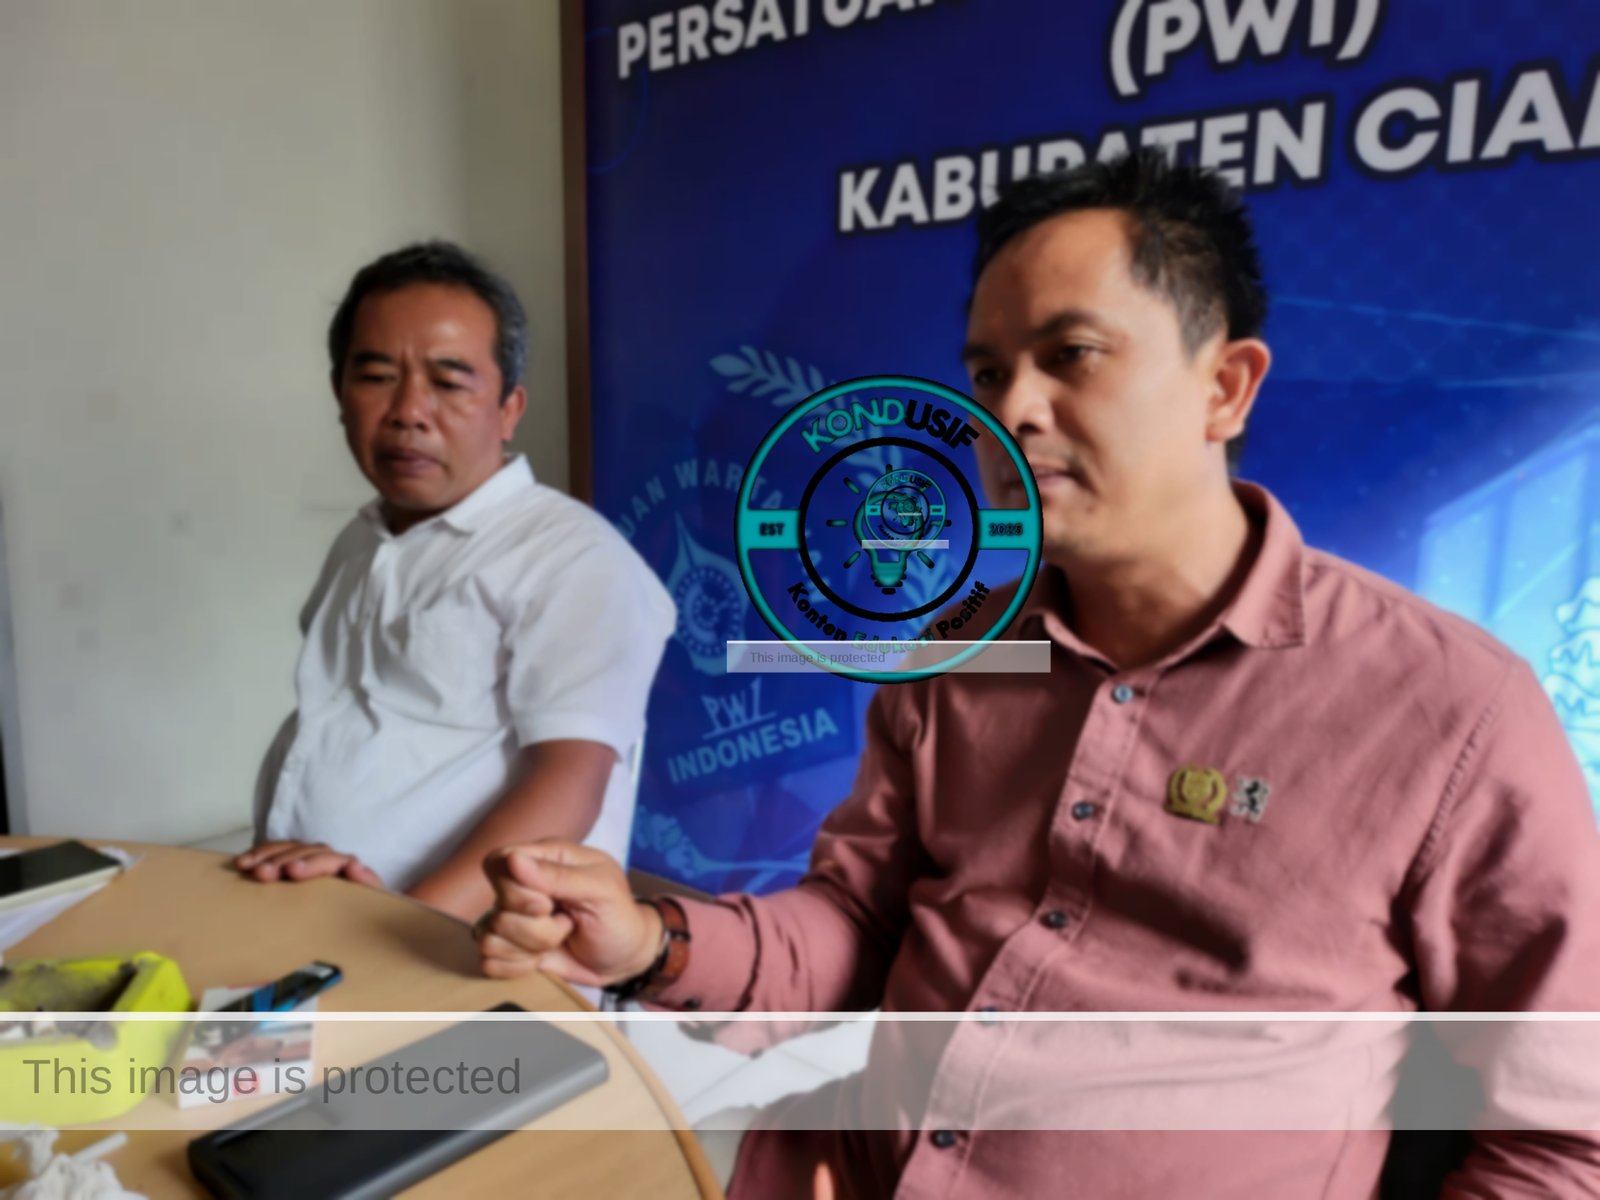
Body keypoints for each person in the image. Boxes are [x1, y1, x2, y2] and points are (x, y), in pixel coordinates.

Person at [472, 153, 1600, 1196]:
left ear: (1225, 387)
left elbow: (1562, 1140)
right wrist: (652, 943)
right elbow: (859, 923)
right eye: (987, 371)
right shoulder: (962, 642)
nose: (1007, 411)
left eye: (1071, 357)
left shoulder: (1452, 711)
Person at [235, 242, 675, 923]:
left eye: (448, 382)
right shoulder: (363, 539)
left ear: (508, 408)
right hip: (326, 918)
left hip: (461, 950)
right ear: (339, 394)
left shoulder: (575, 560)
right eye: (376, 376)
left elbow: (567, 787)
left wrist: (399, 938)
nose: (408, 411)